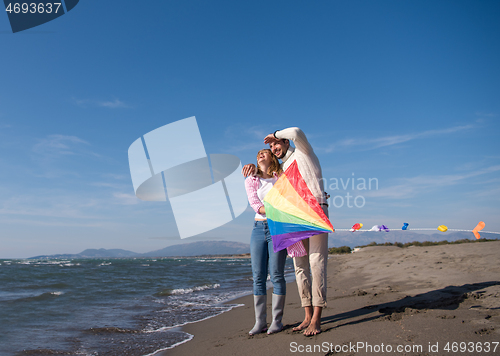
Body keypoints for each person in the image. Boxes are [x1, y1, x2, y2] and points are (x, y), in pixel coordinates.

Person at [242, 127, 329, 336]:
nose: (273, 147)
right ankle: (306, 315)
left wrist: (276, 133)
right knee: (300, 266)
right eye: (271, 146)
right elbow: (267, 178)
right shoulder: (282, 168)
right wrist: (252, 167)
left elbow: (297, 132)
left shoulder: (303, 151)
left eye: (276, 144)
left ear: (285, 142)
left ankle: (316, 318)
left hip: (314, 211)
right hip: (293, 218)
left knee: (316, 263)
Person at [245, 149, 288, 335]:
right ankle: (260, 322)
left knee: (277, 274)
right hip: (258, 228)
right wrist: (274, 209)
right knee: (258, 276)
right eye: (258, 154)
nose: (260, 155)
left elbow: (288, 199)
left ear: (272, 157)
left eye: (265, 152)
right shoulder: (251, 180)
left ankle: (276, 322)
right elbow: (256, 205)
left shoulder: (281, 177)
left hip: (278, 228)